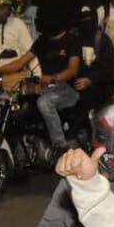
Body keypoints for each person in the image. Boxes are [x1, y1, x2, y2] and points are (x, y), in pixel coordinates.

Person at [30, 12, 83, 152]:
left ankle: (60, 145)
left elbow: (73, 70)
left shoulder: (72, 40)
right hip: (47, 87)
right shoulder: (42, 41)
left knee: (44, 102)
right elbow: (22, 61)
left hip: (68, 89)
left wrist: (53, 78)